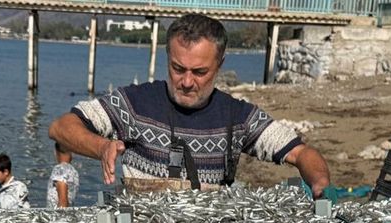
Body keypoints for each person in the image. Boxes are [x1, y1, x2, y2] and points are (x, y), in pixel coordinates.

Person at [48, 14, 330, 197]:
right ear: (168, 57)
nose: (186, 81)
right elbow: (61, 128)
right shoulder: (133, 103)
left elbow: (300, 152)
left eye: (199, 72)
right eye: (177, 68)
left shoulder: (237, 116)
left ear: (219, 66)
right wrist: (101, 146)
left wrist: (319, 183)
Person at [46, 142, 80, 209]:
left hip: (56, 217)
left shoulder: (60, 169)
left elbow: (63, 201)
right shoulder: (73, 171)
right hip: (68, 214)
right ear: (72, 153)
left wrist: (60, 218)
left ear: (55, 152)